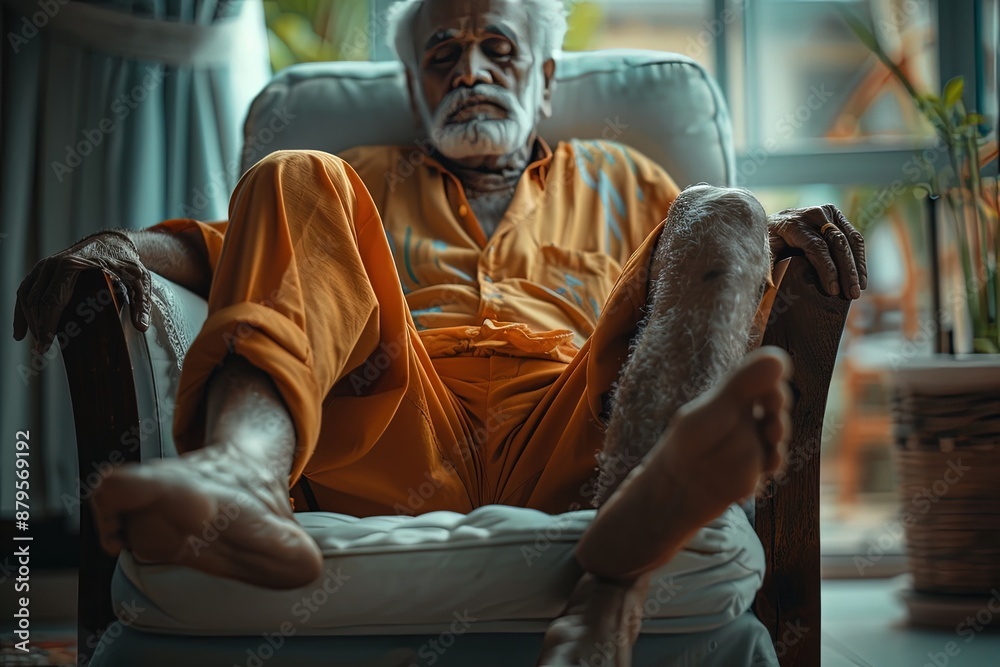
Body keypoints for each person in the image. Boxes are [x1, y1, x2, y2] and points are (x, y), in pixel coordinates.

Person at [13, 0, 866, 663]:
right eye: (441, 56)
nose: (471, 71)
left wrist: (764, 230)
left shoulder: (623, 175)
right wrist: (116, 245)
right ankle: (242, 479)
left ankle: (622, 568)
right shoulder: (362, 178)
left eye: (500, 49)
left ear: (546, 79)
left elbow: (693, 282)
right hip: (391, 433)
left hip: (579, 438)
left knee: (722, 205)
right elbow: (236, 259)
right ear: (413, 88)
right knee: (291, 172)